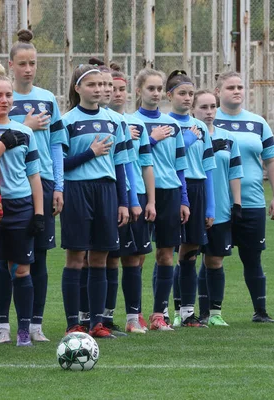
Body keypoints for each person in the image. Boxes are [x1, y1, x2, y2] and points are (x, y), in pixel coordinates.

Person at [0, 29, 66, 344]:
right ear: (11, 64)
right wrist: (27, 126)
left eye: (32, 63)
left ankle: (34, 324)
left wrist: (59, 186)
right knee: (3, 259)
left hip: (41, 183)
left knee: (38, 255)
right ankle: (2, 326)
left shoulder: (48, 98)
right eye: (22, 63)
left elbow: (56, 146)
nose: (28, 68)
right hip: (7, 189)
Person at [60, 64, 129, 339]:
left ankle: (97, 323)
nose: (99, 89)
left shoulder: (115, 122)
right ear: (78, 88)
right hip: (76, 190)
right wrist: (90, 153)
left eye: (102, 85)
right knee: (76, 257)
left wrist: (123, 202)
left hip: (106, 191)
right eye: (92, 85)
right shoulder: (66, 121)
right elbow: (60, 164)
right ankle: (73, 323)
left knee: (100, 257)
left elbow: (121, 164)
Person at [214, 71, 274, 323]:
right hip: (219, 202)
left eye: (240, 87)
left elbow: (272, 160)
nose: (236, 91)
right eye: (230, 87)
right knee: (212, 256)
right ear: (218, 91)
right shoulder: (210, 120)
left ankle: (260, 312)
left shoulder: (258, 122)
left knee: (253, 257)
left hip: (253, 201)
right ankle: (205, 313)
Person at [0, 64, 44, 346]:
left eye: (8, 95)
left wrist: (39, 213)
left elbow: (34, 175)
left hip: (20, 206)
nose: (5, 100)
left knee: (21, 269)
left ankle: (23, 330)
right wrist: (2, 144)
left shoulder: (25, 132)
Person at [131, 68, 188, 331]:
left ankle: (158, 314)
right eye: (149, 88)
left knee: (166, 254)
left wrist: (184, 199)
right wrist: (151, 140)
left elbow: (180, 167)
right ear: (139, 91)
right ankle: (136, 314)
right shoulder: (131, 123)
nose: (155, 93)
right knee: (139, 255)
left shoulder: (173, 125)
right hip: (142, 194)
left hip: (170, 194)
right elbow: (132, 159)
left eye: (158, 89)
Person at [164, 70, 216, 328]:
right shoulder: (165, 125)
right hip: (171, 188)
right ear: (169, 95)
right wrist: (184, 139)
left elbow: (208, 170)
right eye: (182, 93)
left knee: (191, 253)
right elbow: (167, 159)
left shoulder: (201, 129)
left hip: (196, 189)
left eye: (190, 94)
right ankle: (161, 311)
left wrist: (210, 206)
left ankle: (187, 313)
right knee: (166, 252)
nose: (187, 98)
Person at [109, 63, 157, 334]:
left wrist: (150, 200)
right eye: (113, 89)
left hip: (136, 194)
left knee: (136, 257)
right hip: (112, 194)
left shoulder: (137, 123)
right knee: (111, 258)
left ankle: (133, 317)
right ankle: (103, 316)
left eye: (121, 89)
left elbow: (146, 164)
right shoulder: (105, 121)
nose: (117, 94)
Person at [93, 59, 138, 336]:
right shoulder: (82, 119)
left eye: (112, 85)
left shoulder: (122, 123)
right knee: (94, 258)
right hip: (93, 195)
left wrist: (130, 199)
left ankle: (106, 318)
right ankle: (89, 317)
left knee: (118, 257)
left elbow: (127, 164)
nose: (109, 90)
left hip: (119, 196)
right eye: (104, 85)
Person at [192, 89, 243, 326]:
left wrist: (237, 203)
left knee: (215, 261)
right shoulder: (188, 135)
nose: (209, 112)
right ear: (193, 109)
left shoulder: (228, 138)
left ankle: (214, 313)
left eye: (212, 106)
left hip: (220, 209)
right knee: (186, 258)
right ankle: (183, 312)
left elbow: (235, 172)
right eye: (203, 107)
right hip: (191, 207)